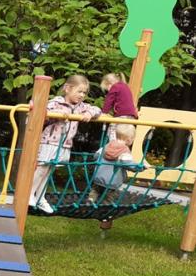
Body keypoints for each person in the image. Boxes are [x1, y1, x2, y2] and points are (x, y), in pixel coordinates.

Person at [29, 75, 101, 214]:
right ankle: (30, 194)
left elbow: (97, 110)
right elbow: (42, 111)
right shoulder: (57, 102)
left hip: (64, 145)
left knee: (48, 172)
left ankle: (40, 197)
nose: (82, 95)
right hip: (50, 142)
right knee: (41, 169)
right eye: (79, 91)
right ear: (67, 89)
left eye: (84, 92)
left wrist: (89, 113)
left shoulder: (81, 107)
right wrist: (58, 113)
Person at [89, 123, 145, 203]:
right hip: (112, 182)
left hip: (98, 178)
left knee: (95, 191)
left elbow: (96, 156)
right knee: (108, 198)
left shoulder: (107, 145)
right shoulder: (124, 151)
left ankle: (90, 200)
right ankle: (104, 207)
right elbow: (129, 164)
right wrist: (141, 167)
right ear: (129, 139)